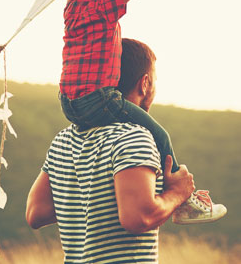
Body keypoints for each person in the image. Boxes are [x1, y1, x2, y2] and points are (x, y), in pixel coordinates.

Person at [58, 0, 223, 223]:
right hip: (97, 99)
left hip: (68, 104)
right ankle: (183, 200)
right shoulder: (101, 8)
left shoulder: (72, 7)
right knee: (160, 136)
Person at [26, 38, 227, 263]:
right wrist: (177, 194)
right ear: (145, 83)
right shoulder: (134, 136)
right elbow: (137, 218)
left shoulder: (63, 140)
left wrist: (96, 199)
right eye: (155, 81)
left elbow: (36, 212)